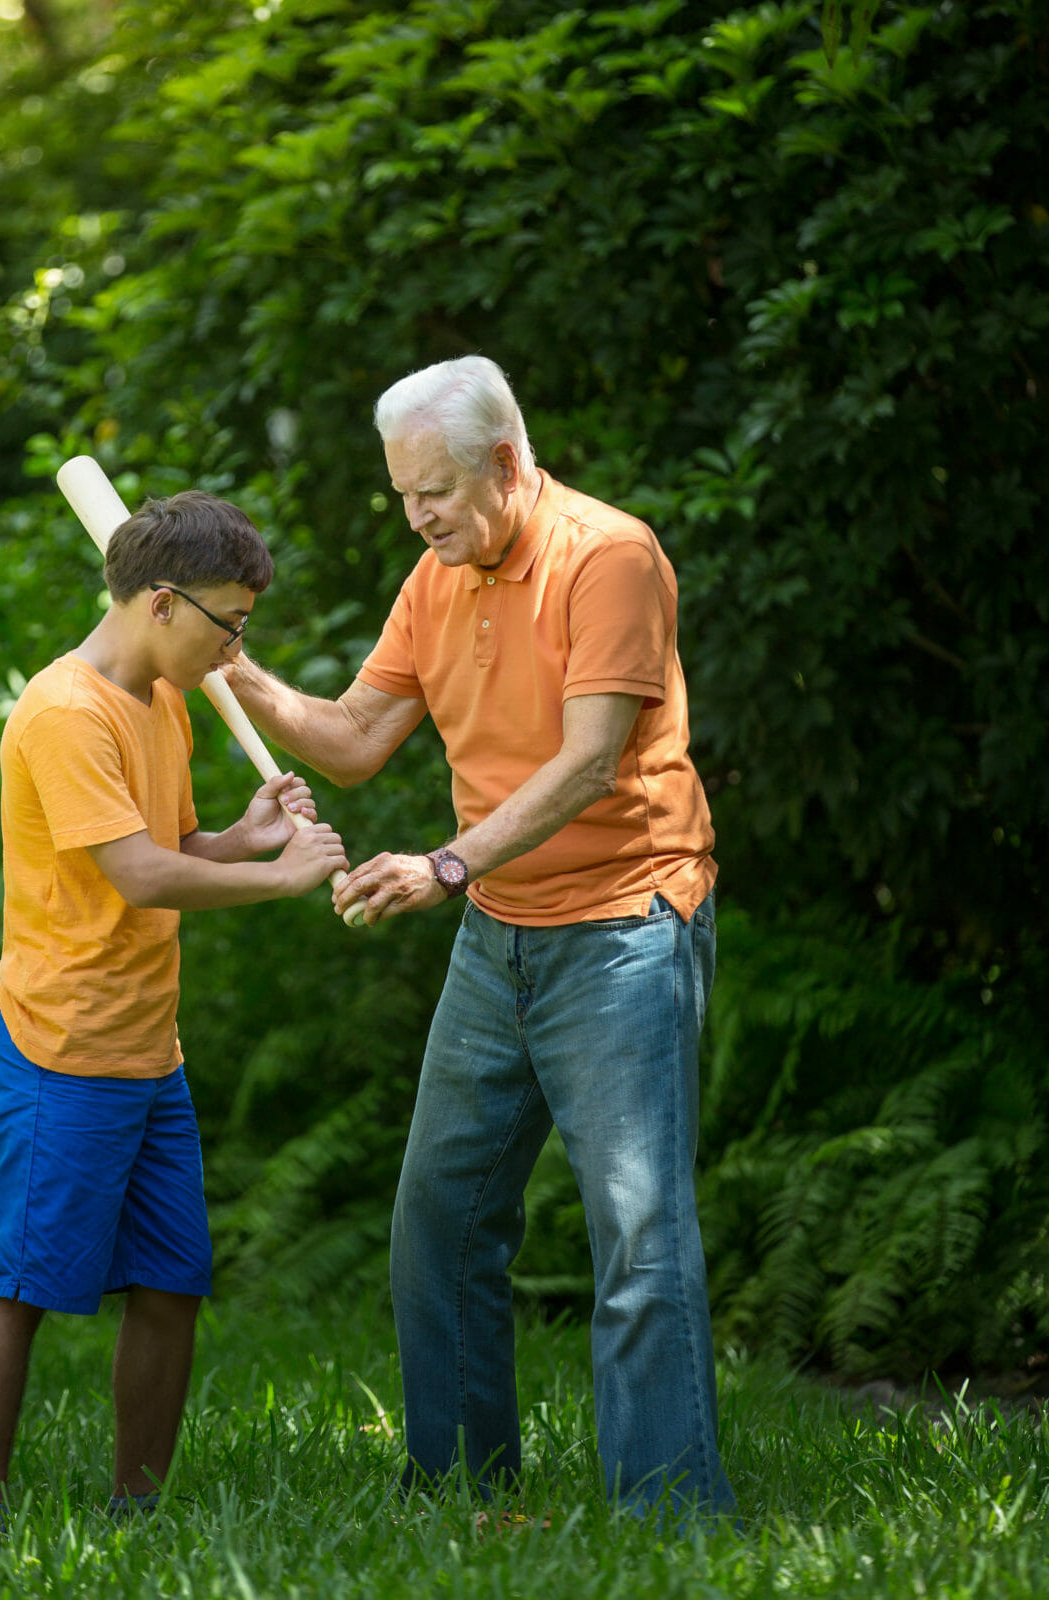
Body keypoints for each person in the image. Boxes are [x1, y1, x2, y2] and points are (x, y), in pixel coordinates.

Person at [222, 357, 736, 1520]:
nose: (417, 517)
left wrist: (448, 864)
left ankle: (671, 1517)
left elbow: (588, 760)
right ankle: (461, 1489)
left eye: (432, 494)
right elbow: (352, 739)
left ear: (504, 462)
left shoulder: (608, 558)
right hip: (499, 938)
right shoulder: (435, 577)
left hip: (622, 927)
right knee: (438, 1225)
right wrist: (234, 670)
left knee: (636, 1240)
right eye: (402, 496)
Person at [0, 490, 347, 1527]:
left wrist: (248, 835)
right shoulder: (62, 712)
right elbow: (135, 874)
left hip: (146, 1051)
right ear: (163, 605)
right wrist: (282, 881)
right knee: (24, 1284)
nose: (236, 651)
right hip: (63, 1045)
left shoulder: (162, 699)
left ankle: (138, 1505)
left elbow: (175, 848)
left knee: (173, 1281)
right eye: (231, 624)